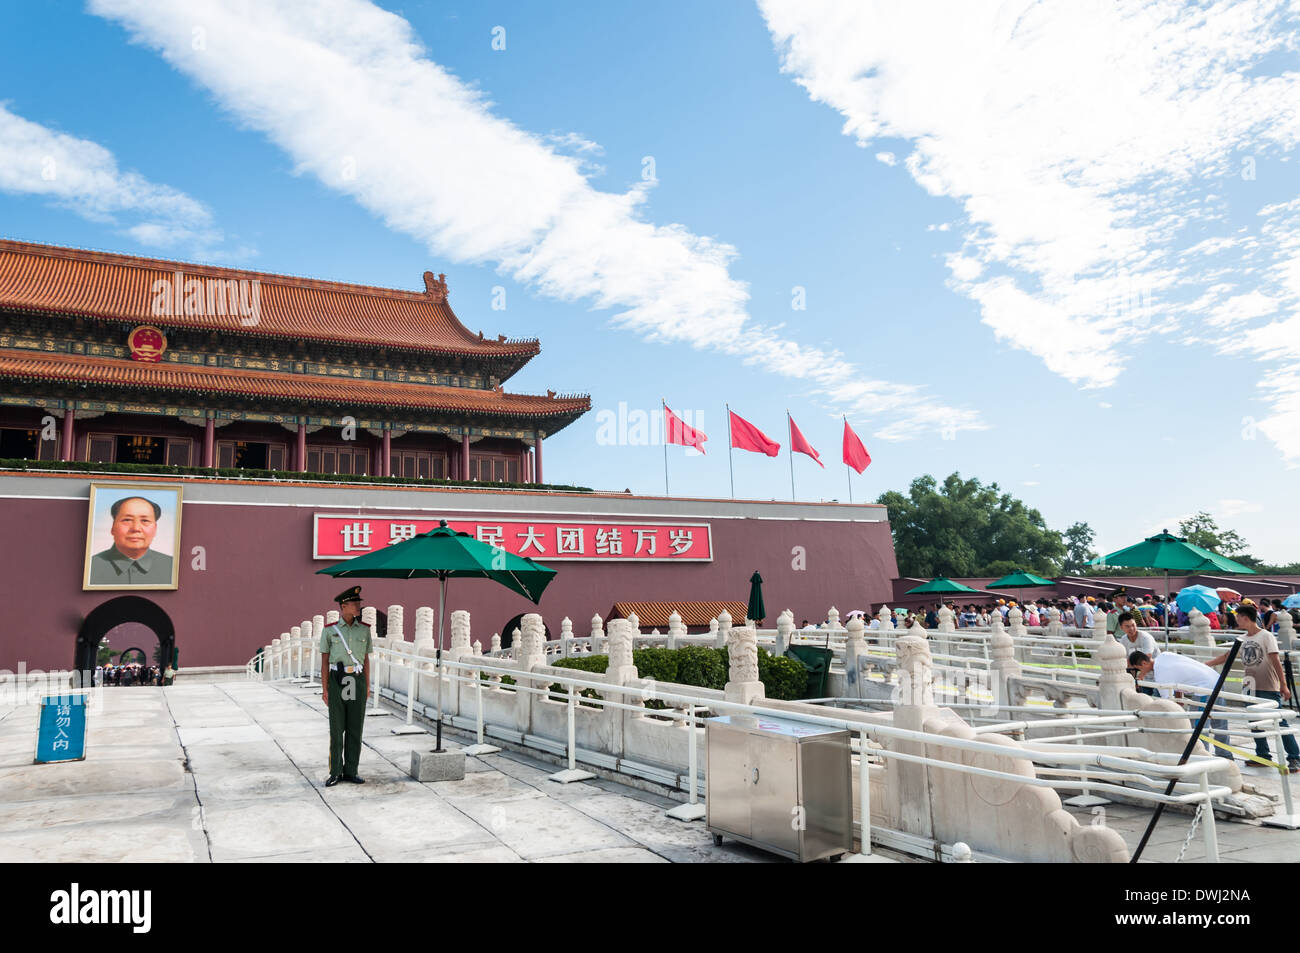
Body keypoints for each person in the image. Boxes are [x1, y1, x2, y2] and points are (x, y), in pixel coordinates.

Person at [1207, 604, 1300, 773]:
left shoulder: (1266, 636)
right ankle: (1263, 755)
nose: (1236, 620)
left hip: (1268, 684)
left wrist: (1283, 684)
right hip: (1250, 684)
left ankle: (1294, 757)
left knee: (1279, 720)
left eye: (1238, 617)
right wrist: (1206, 665)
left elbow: (1275, 660)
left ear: (1245, 617)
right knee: (1254, 721)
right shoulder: (1242, 639)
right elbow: (1227, 657)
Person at [1128, 650, 1232, 760]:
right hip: (1216, 679)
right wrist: (1179, 696)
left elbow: (1167, 702)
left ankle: (1202, 758)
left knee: (1198, 726)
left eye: (1139, 669)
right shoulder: (1164, 655)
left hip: (1204, 689)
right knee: (1219, 723)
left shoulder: (1160, 674)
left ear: (1144, 663)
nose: (1141, 672)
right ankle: (1226, 755)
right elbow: (1178, 672)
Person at [321, 586, 373, 786]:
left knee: (355, 728)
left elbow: (366, 660)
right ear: (344, 606)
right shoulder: (329, 631)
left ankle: (351, 770)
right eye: (355, 603)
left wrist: (367, 686)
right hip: (337, 680)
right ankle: (335, 771)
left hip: (356, 680)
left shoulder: (365, 630)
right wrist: (325, 689)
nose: (359, 606)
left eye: (359, 602)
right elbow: (324, 661)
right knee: (336, 729)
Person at [88, 496, 175, 586]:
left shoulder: (173, 567)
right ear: (113, 527)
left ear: (155, 529)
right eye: (127, 520)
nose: (136, 528)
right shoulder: (90, 567)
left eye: (145, 520)